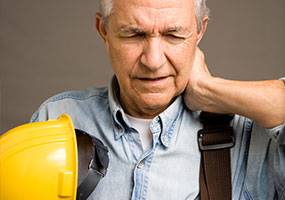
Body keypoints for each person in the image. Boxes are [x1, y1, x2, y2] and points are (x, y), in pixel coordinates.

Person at [31, 0, 285, 199]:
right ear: (104, 31)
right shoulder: (56, 120)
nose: (153, 61)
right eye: (134, 35)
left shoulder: (252, 135)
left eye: (173, 35)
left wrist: (207, 89)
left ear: (199, 31)